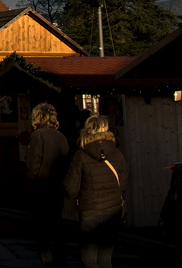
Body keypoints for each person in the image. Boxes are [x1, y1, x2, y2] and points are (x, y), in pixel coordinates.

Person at [62, 114, 127, 268]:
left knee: (89, 258)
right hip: (113, 210)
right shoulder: (117, 153)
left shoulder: (81, 156)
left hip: (90, 211)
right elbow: (122, 183)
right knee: (106, 258)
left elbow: (71, 189)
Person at [22, 103, 70, 266]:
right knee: (57, 230)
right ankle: (60, 263)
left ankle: (49, 263)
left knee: (42, 233)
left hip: (41, 189)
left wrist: (29, 185)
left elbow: (32, 165)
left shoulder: (37, 136)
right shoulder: (61, 137)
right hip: (57, 188)